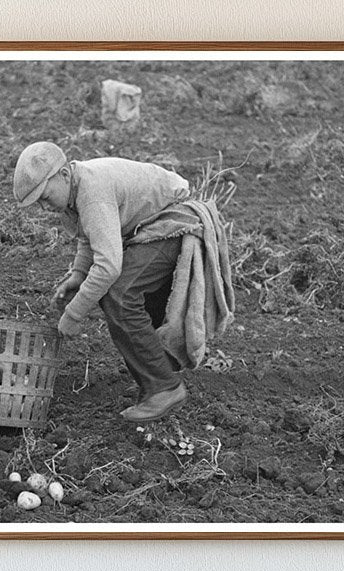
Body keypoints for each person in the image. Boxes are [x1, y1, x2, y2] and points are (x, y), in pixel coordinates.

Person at [13, 141, 232, 422]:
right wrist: (78, 274)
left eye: (45, 197)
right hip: (151, 226)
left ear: (64, 174)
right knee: (130, 295)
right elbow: (91, 234)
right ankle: (158, 376)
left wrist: (74, 314)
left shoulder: (92, 192)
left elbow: (108, 267)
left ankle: (163, 388)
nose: (45, 208)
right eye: (39, 203)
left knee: (119, 294)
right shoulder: (77, 188)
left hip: (174, 220)